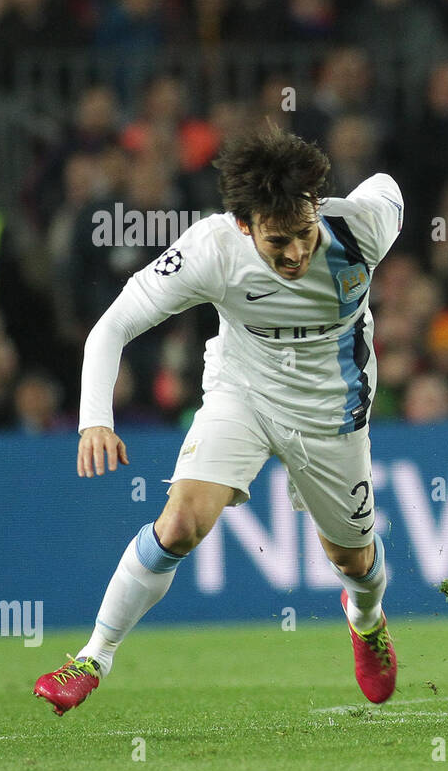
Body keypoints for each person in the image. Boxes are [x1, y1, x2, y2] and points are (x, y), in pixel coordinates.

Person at [33, 124, 404, 714]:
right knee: (179, 524)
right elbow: (112, 325)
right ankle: (91, 658)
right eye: (277, 240)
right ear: (244, 224)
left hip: (331, 411)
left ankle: (367, 621)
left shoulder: (362, 226)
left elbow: (387, 186)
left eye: (304, 233)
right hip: (244, 394)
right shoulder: (211, 249)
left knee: (352, 562)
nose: (296, 254)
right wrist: (94, 419)